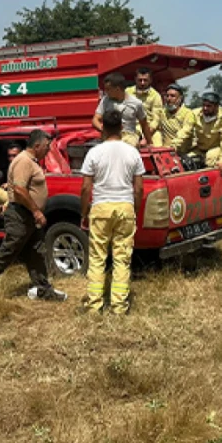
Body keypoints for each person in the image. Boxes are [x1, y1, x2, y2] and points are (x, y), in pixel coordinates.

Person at [0, 130, 68, 302]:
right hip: (20, 215)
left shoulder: (31, 161)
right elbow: (20, 191)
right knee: (9, 250)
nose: (48, 149)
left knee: (36, 251)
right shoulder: (23, 161)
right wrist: (36, 211)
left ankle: (43, 289)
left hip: (28, 215)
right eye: (46, 146)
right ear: (36, 146)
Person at [80, 110, 145, 315]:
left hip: (100, 207)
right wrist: (134, 208)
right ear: (122, 128)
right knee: (122, 259)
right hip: (125, 206)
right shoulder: (132, 152)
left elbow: (85, 188)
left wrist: (84, 213)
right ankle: (119, 306)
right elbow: (139, 188)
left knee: (98, 259)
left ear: (103, 128)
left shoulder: (94, 153)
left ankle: (94, 306)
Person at [93, 72, 152, 148]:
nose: (106, 92)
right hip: (109, 136)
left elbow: (144, 124)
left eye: (108, 89)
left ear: (117, 89)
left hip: (128, 137)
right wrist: (104, 129)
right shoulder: (105, 100)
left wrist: (150, 143)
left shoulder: (136, 103)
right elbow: (95, 119)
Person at [190, 92, 222, 171]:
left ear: (216, 107)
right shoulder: (194, 113)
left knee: (210, 159)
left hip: (217, 149)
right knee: (187, 160)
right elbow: (186, 130)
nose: (205, 108)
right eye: (203, 105)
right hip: (199, 149)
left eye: (208, 106)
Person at [126, 68, 163, 147]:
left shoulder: (156, 96)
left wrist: (147, 138)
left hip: (151, 129)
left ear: (150, 80)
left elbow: (156, 119)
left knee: (157, 148)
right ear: (135, 79)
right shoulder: (127, 92)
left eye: (145, 80)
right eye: (140, 80)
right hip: (132, 129)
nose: (142, 83)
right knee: (128, 146)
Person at [0, 142, 23, 216]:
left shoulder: (22, 167)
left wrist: (7, 204)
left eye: (14, 155)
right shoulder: (13, 166)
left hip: (19, 198)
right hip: (14, 195)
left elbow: (20, 188)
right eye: (9, 156)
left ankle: (0, 214)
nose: (11, 158)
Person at [159, 83, 196, 153]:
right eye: (167, 96)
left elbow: (185, 132)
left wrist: (173, 146)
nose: (169, 99)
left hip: (184, 153)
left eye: (172, 96)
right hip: (165, 152)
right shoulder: (162, 113)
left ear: (180, 99)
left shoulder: (188, 114)